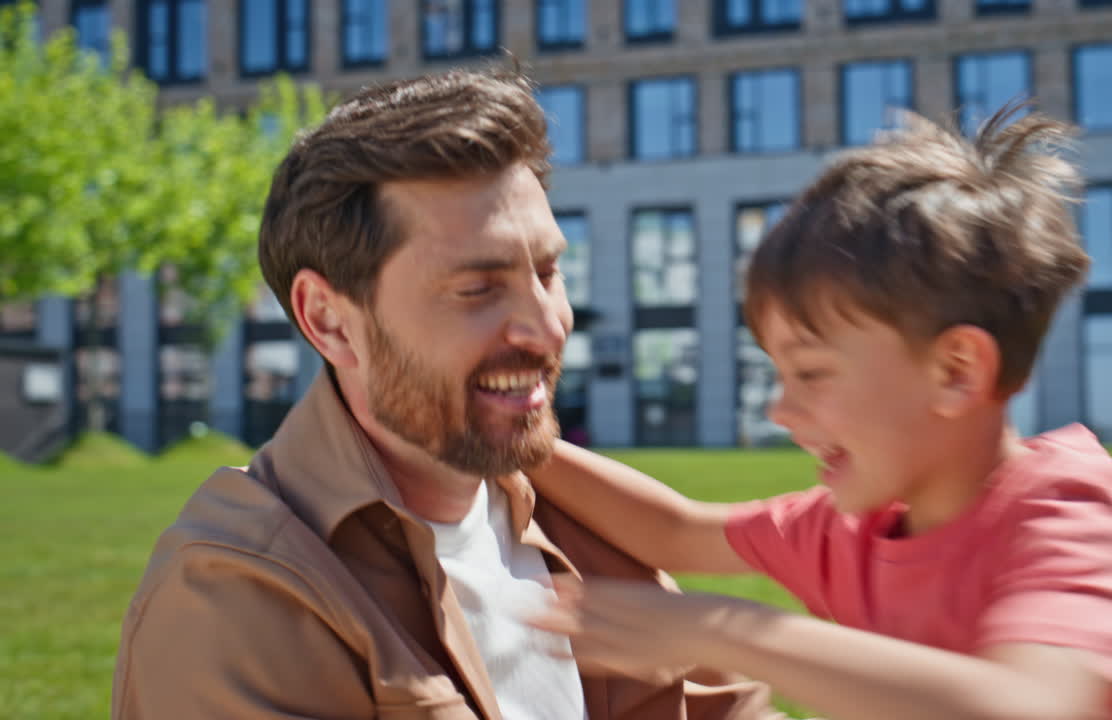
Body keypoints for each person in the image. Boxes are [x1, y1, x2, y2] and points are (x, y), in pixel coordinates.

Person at [111, 68, 780, 720]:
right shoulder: (240, 596)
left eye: (549, 272)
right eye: (477, 289)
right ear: (329, 320)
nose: (549, 326)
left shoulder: (591, 525)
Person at [528, 105, 1112, 720]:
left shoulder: (1061, 513)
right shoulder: (849, 529)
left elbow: (1027, 706)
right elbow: (677, 532)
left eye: (812, 374)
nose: (781, 410)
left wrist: (723, 630)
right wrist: (517, 435)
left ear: (957, 371)